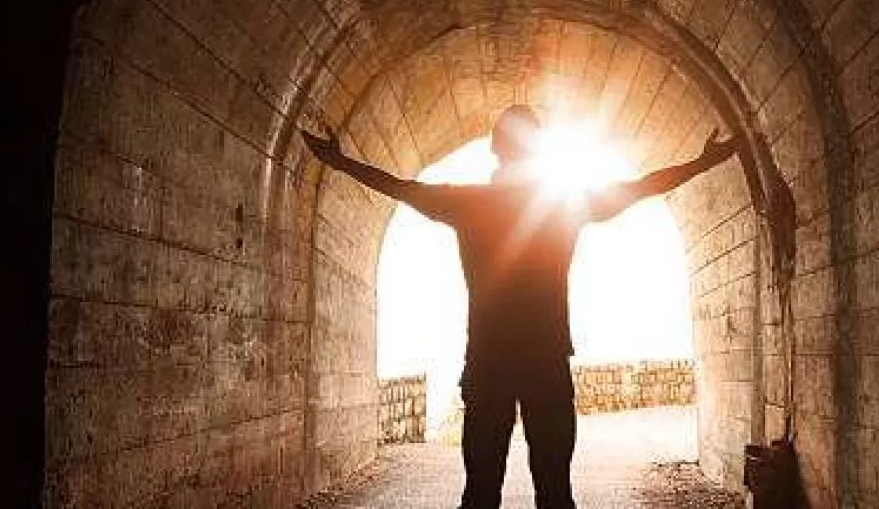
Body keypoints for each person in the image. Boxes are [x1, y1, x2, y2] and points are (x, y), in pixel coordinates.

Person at [302, 105, 738, 509]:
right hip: (546, 361)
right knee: (554, 490)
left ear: (496, 150)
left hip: (488, 362)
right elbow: (641, 187)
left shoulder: (468, 203)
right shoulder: (565, 204)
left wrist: (339, 161)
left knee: (480, 491)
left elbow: (398, 187)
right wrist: (703, 161)